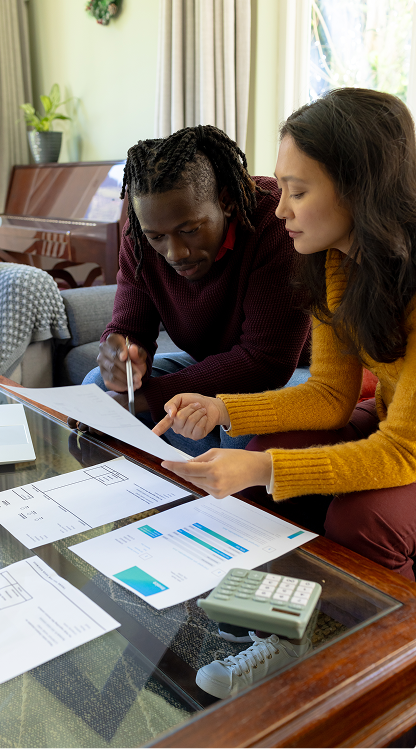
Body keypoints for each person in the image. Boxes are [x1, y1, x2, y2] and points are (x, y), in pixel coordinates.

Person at [153, 88, 416, 697]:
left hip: (407, 445)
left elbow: (402, 452)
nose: (280, 211)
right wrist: (223, 410)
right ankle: (274, 619)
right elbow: (328, 394)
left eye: (298, 193)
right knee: (266, 443)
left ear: (358, 191)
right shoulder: (338, 260)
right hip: (388, 426)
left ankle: (371, 656)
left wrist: (265, 466)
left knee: (363, 515)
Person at [75, 125, 311, 456]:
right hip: (217, 362)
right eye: (157, 237)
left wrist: (149, 398)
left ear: (226, 201)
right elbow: (129, 328)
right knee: (95, 390)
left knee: (243, 432)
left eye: (189, 230)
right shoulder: (141, 236)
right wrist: (121, 355)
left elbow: (267, 362)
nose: (175, 253)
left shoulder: (273, 222)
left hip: (294, 367)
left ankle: (203, 463)